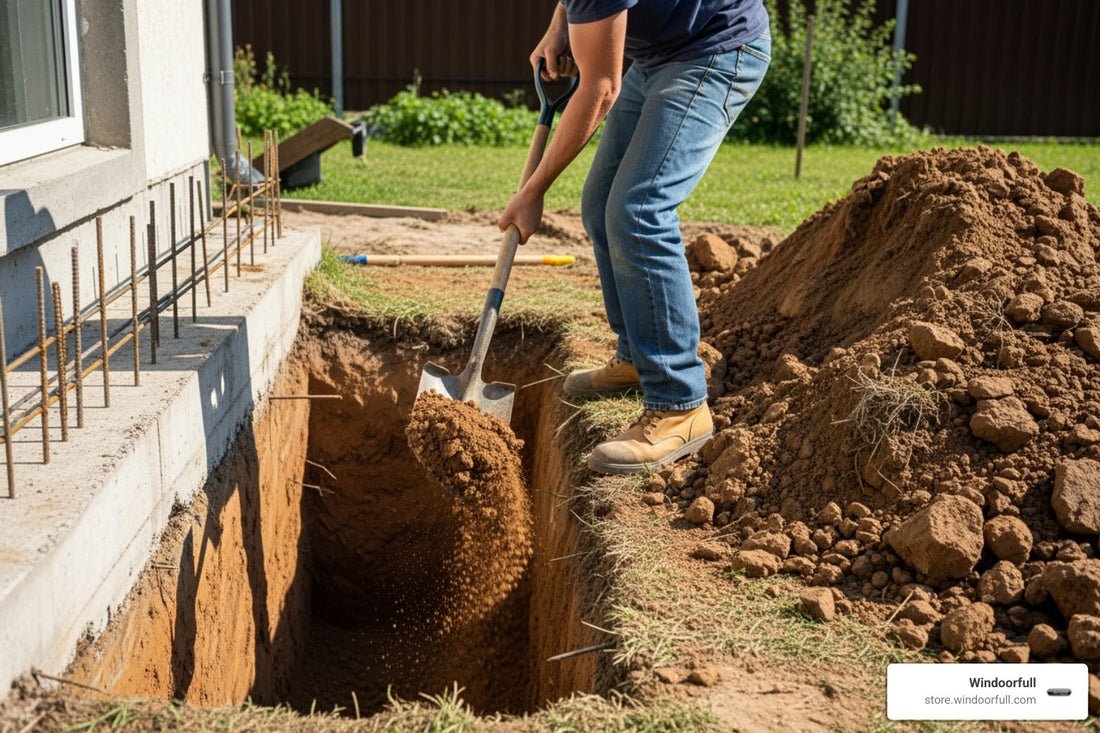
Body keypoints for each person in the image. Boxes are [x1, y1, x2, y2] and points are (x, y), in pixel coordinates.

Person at [498, 0, 771, 474]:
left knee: (639, 210)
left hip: (714, 49)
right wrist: (559, 25)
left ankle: (679, 402)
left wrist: (533, 191)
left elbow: (601, 88)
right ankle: (635, 357)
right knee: (600, 202)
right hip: (656, 55)